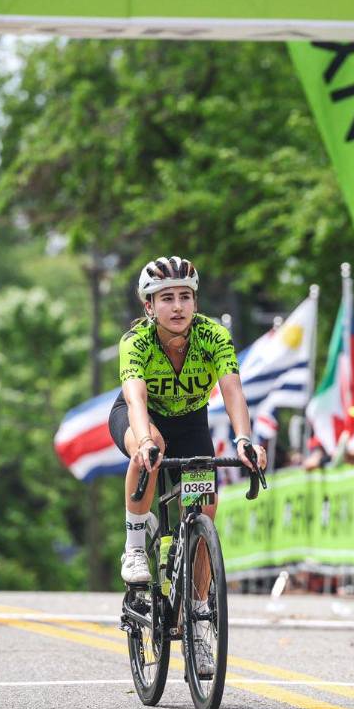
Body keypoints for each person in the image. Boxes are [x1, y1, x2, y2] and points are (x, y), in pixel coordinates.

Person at [109, 255, 266, 677]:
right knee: (154, 447)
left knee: (206, 509)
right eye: (165, 299)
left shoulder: (214, 336)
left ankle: (197, 612)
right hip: (141, 418)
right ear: (149, 307)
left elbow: (232, 389)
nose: (177, 306)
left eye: (184, 297)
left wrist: (244, 438)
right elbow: (136, 398)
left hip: (192, 422)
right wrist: (143, 439)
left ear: (195, 302)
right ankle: (134, 548)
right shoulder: (136, 342)